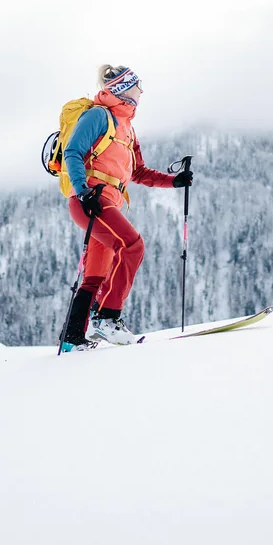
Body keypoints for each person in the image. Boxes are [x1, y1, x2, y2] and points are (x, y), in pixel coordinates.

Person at [60, 65, 193, 352]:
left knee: (95, 276)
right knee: (132, 246)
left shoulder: (127, 129)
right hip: (90, 200)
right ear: (122, 88)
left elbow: (139, 172)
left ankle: (72, 339)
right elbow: (73, 151)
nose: (141, 90)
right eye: (136, 85)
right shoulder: (98, 116)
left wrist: (174, 181)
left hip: (107, 202)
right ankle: (107, 319)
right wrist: (82, 191)